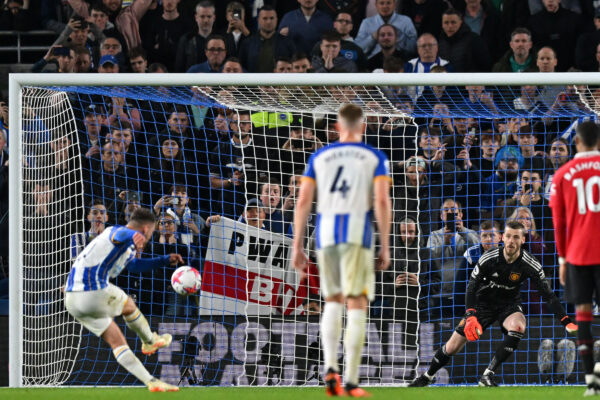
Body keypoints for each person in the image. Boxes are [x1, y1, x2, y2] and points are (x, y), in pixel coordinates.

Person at [292, 103, 392, 397]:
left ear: (336, 126)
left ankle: (330, 371)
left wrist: (297, 245)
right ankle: (350, 381)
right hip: (357, 235)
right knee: (357, 303)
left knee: (332, 301)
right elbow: (382, 202)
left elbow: (302, 202)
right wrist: (386, 244)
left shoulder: (320, 156)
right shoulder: (374, 156)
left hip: (325, 236)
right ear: (363, 126)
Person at [410, 220, 577, 387]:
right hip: (483, 304)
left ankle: (488, 375)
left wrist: (566, 320)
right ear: (503, 237)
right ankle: (427, 376)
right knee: (453, 346)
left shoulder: (530, 264)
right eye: (509, 236)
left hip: (509, 304)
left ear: (523, 240)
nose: (511, 241)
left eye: (516, 237)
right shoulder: (488, 258)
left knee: (519, 326)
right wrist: (470, 315)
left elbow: (549, 296)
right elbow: (471, 288)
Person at [63, 208, 183, 392]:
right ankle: (150, 340)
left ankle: (151, 381)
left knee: (117, 341)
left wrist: (164, 260)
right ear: (145, 229)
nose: (150, 236)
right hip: (90, 288)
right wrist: (134, 234)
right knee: (128, 304)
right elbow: (122, 234)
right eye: (150, 232)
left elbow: (134, 266)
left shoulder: (125, 248)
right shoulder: (116, 232)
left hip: (73, 300)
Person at [550, 121, 600, 396]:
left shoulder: (562, 175)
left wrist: (562, 260)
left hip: (578, 255)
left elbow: (559, 224)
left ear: (577, 142)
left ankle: (590, 380)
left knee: (583, 314)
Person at [238, 5, 296, 73]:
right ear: (259, 20)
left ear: (276, 20)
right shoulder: (247, 44)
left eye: (271, 18)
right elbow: (241, 68)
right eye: (265, 18)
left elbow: (294, 66)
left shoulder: (287, 43)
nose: (268, 22)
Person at [175, 0, 216, 72]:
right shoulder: (186, 40)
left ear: (214, 18)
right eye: (202, 16)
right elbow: (179, 68)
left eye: (209, 16)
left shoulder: (221, 40)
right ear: (196, 18)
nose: (206, 20)